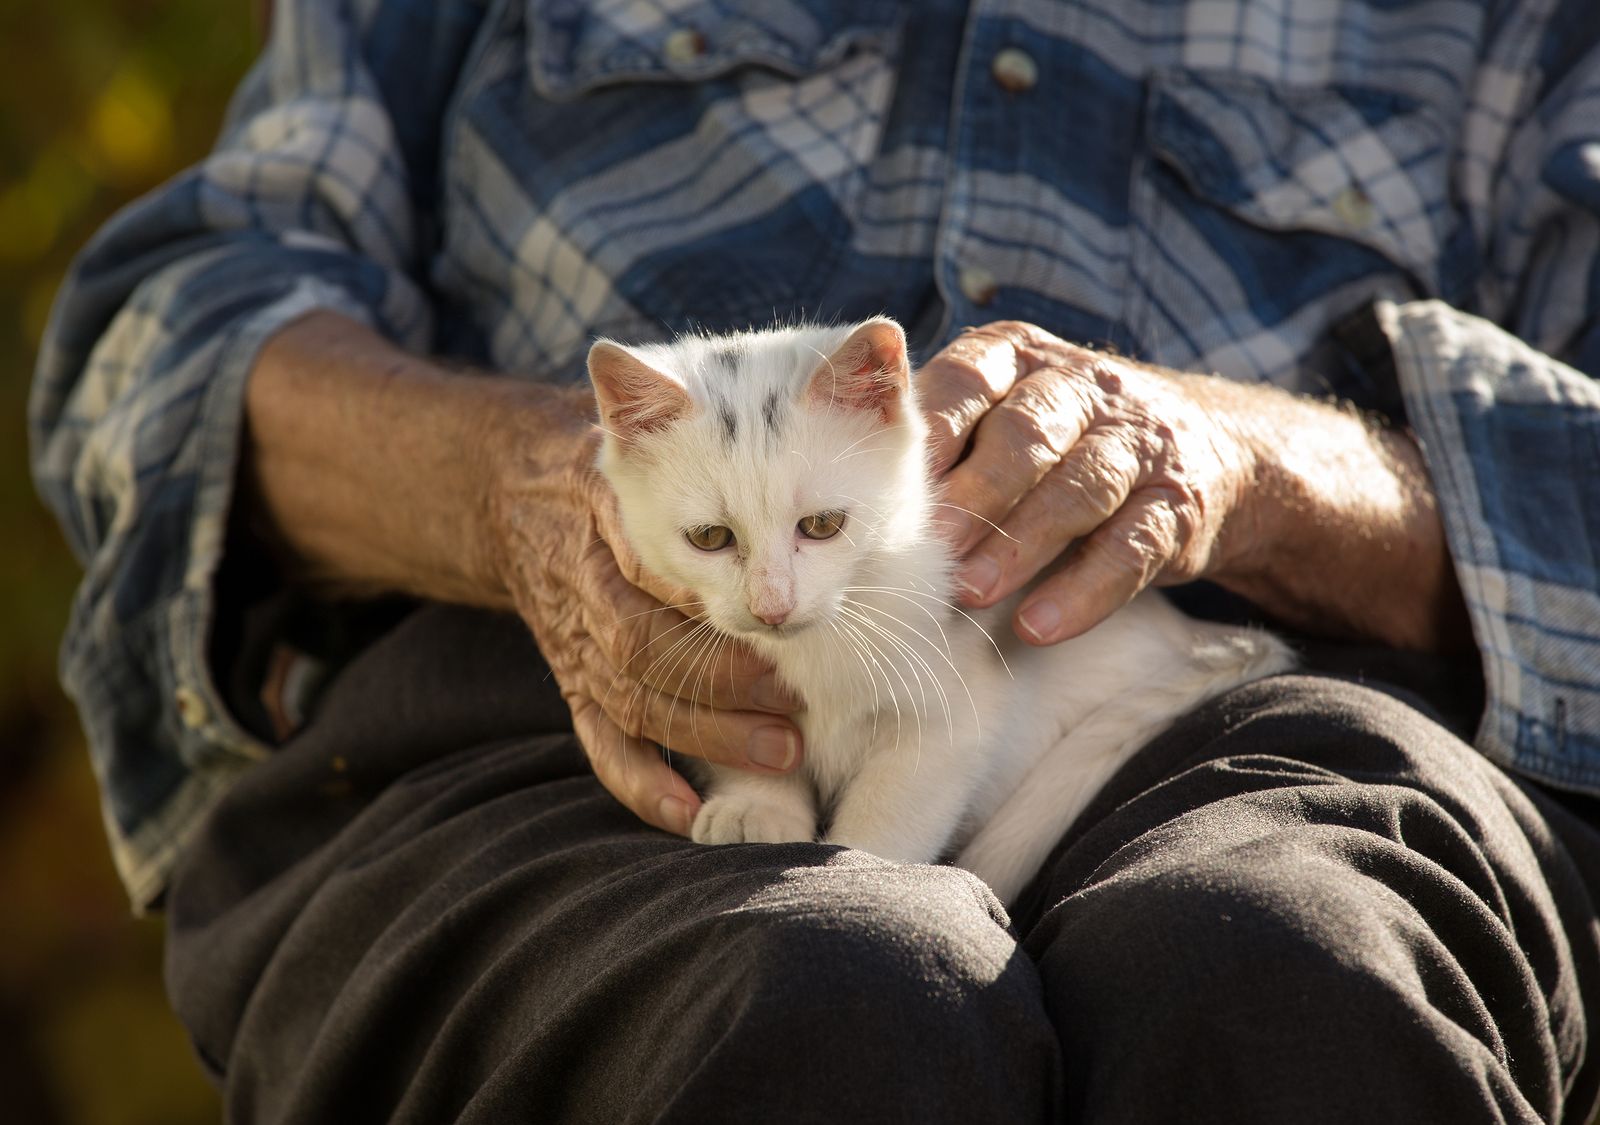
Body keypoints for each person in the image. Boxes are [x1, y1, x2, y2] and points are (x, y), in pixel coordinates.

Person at [29, 0, 1600, 1120]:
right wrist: (514, 488)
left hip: (1254, 702)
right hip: (568, 724)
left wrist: (1260, 473)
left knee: (1280, 979)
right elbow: (158, 341)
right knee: (821, 998)